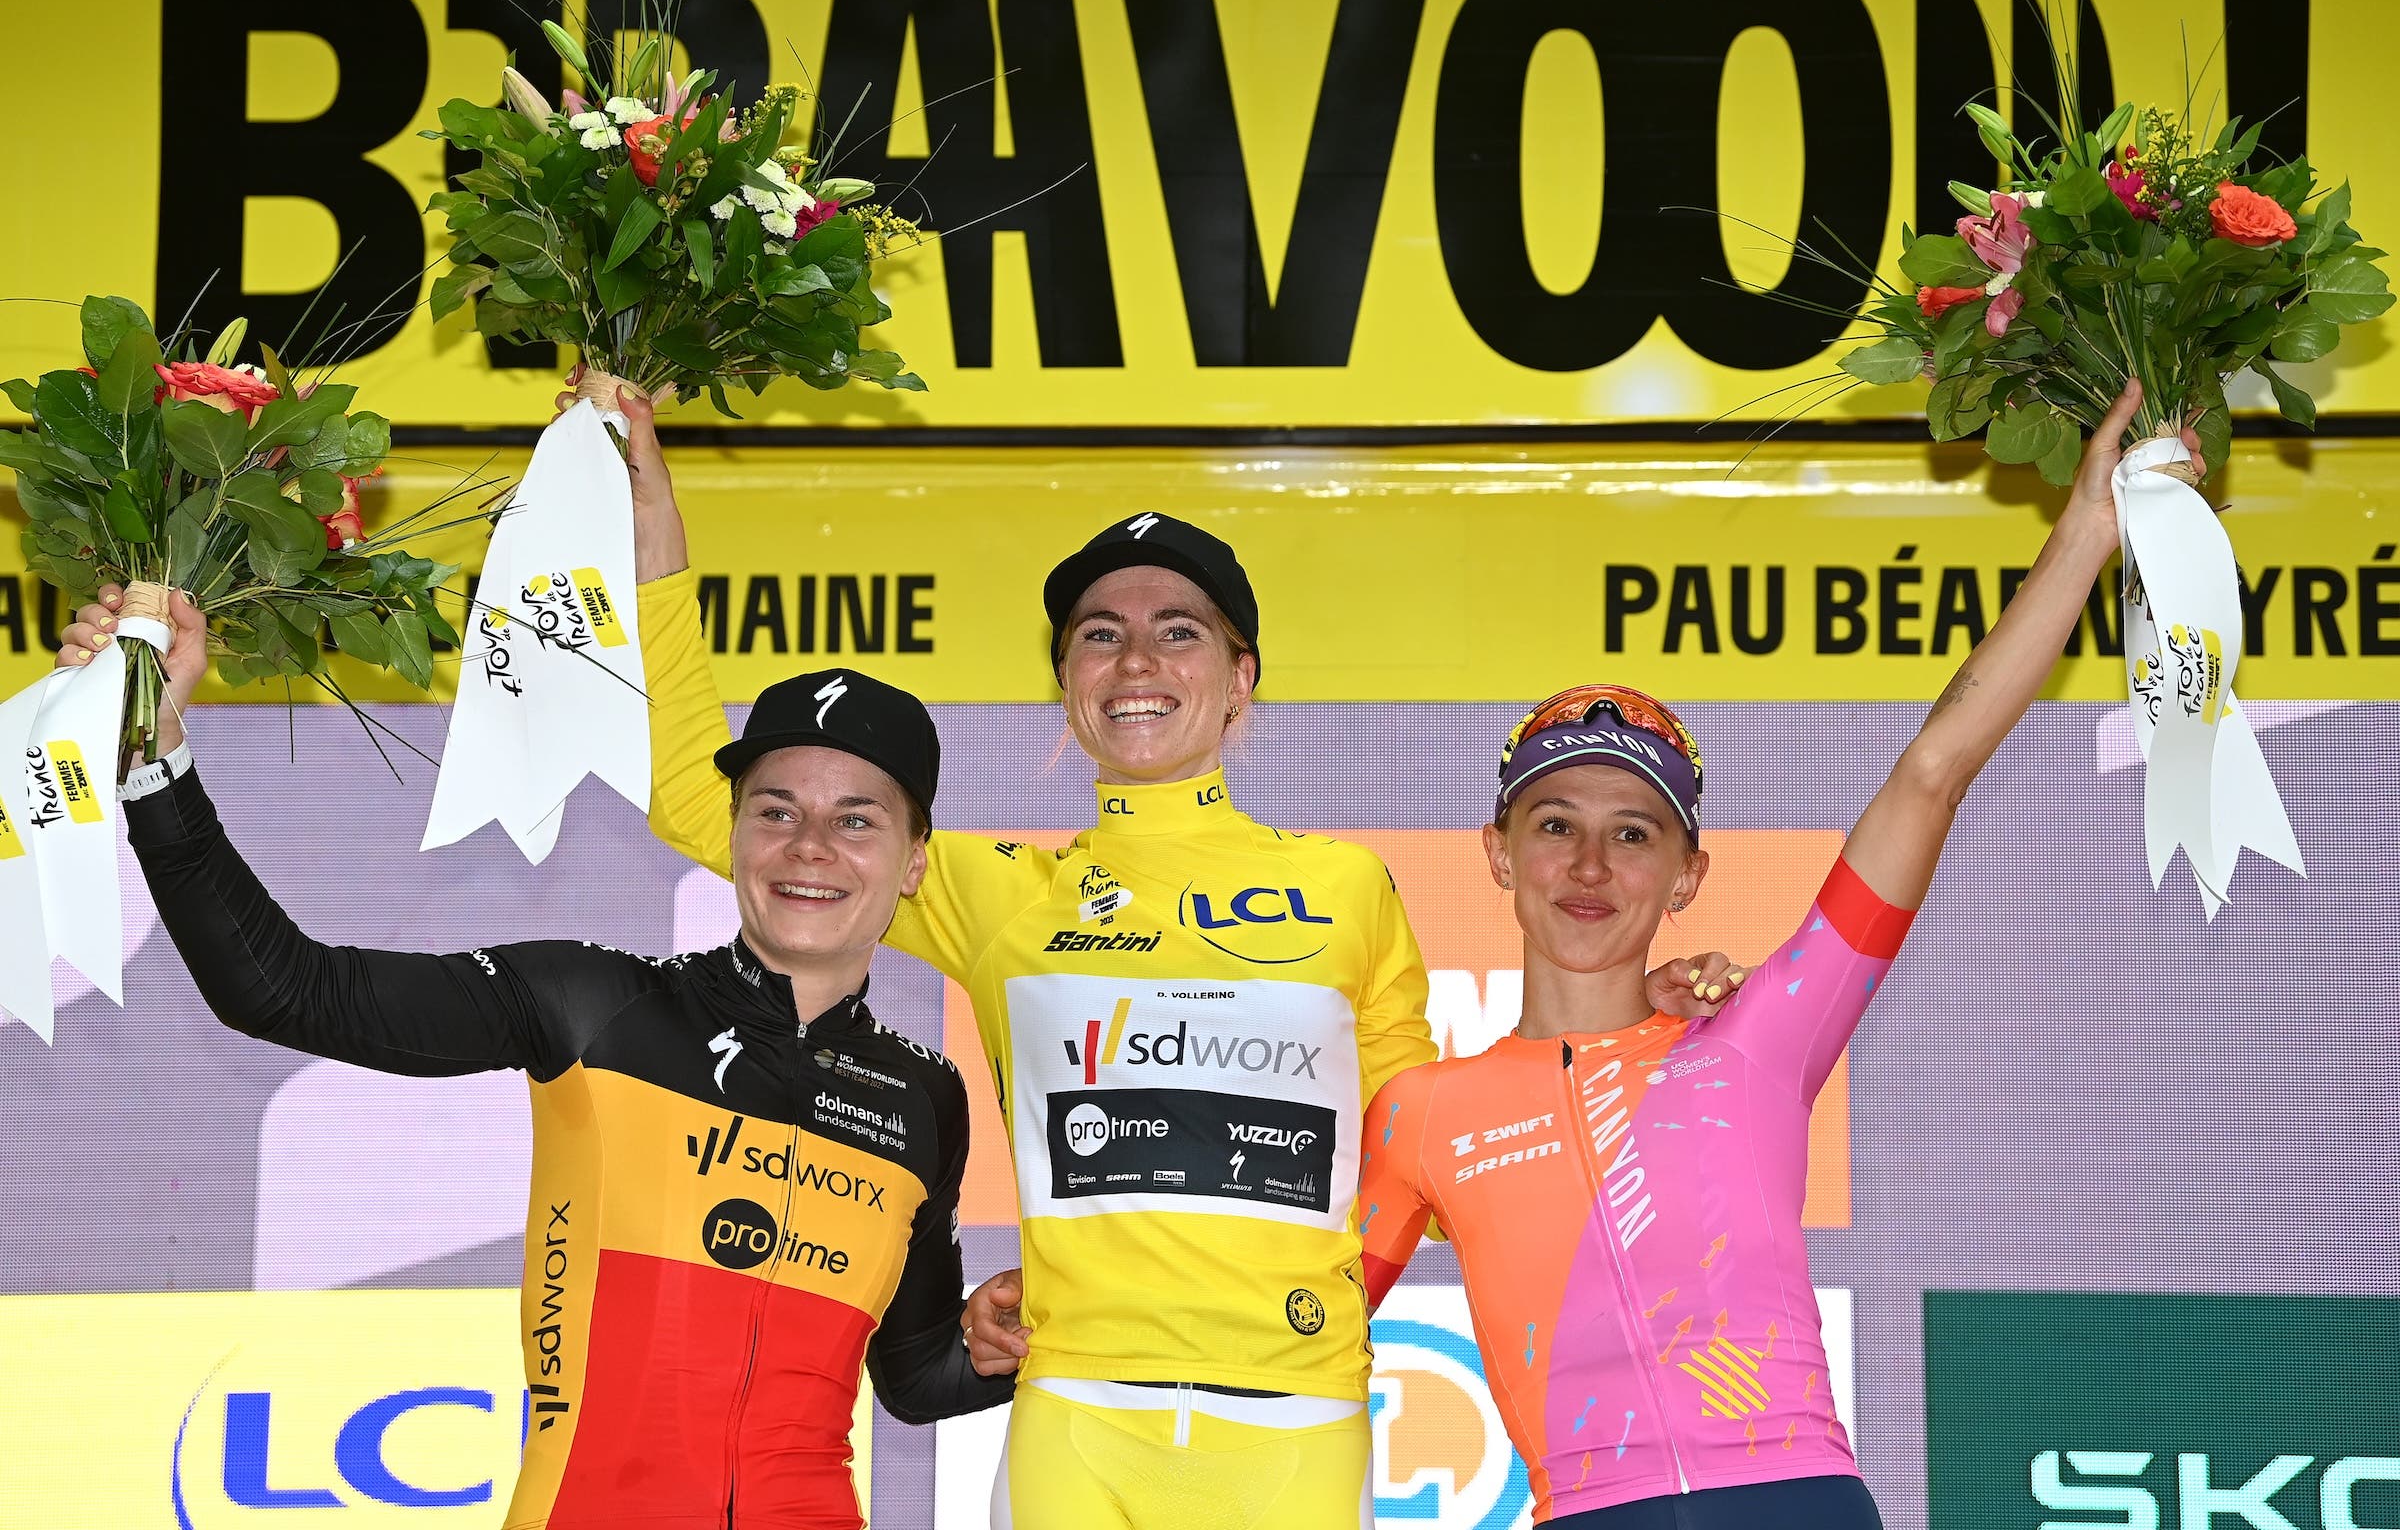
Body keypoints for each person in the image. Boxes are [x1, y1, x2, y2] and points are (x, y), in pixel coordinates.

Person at [610, 386, 1739, 1528]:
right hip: (1075, 1415)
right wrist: (648, 506)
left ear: (1241, 678)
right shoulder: (995, 889)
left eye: (1177, 629)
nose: (1135, 656)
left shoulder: (1346, 888)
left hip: (1297, 1419)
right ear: (1066, 684)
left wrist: (1613, 1015)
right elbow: (698, 797)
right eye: (1100, 633)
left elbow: (1427, 1148)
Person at [1352, 382, 2186, 1528]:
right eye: (1555, 825)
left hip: (1794, 1496)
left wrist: (2090, 526)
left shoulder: (1757, 1034)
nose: (1590, 863)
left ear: (1688, 876)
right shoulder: (1421, 1112)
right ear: (1497, 855)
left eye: (1633, 832)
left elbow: (1932, 772)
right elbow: (1300, 1328)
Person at [57, 585, 1012, 1529]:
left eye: (856, 820)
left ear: (915, 859)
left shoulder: (923, 1096)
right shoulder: (594, 1004)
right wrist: (153, 748)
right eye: (775, 811)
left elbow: (918, 1378)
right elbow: (285, 989)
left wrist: (1032, 1330)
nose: (810, 848)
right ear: (733, 834)